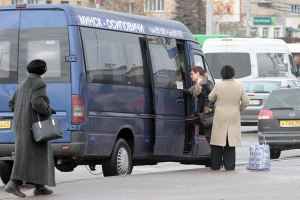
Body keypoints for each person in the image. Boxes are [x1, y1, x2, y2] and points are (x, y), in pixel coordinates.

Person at [5, 59, 56, 197]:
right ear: (43, 71)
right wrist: (49, 109)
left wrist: (23, 114)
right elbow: (37, 103)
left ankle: (39, 186)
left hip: (22, 125)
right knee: (30, 155)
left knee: (31, 154)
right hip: (35, 127)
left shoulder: (24, 83)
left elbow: (11, 103)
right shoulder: (39, 83)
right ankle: (13, 183)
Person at [208, 65, 249, 170]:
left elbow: (211, 98)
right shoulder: (239, 86)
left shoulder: (218, 85)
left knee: (217, 142)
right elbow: (246, 101)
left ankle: (215, 165)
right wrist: (238, 109)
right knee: (230, 143)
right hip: (233, 116)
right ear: (233, 74)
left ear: (222, 74)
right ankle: (229, 166)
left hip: (220, 116)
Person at [184, 66, 214, 138]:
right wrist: (177, 89)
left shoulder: (207, 83)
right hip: (202, 114)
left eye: (192, 74)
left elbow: (214, 94)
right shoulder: (197, 85)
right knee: (208, 136)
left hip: (207, 114)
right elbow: (188, 92)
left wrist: (208, 107)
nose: (191, 76)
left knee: (209, 136)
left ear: (198, 73)